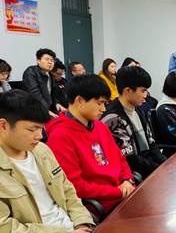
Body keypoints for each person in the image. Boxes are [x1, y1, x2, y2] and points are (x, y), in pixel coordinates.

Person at [0, 90, 94, 233]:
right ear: (3, 125)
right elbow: (4, 231)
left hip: (70, 230)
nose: (40, 135)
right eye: (32, 129)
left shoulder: (41, 150)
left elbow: (68, 191)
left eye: (41, 128)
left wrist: (82, 223)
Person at [45, 74, 135, 213]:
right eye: (99, 103)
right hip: (100, 207)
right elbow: (75, 186)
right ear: (80, 101)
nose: (103, 109)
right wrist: (118, 192)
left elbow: (120, 159)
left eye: (105, 104)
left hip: (123, 195)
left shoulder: (100, 126)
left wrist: (127, 180)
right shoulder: (60, 136)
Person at [102, 66, 166, 178]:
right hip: (134, 174)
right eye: (143, 91)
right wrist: (158, 170)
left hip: (149, 167)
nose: (146, 95)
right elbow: (130, 159)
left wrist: (166, 164)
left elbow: (152, 143)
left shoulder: (139, 111)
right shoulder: (112, 118)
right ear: (128, 91)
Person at [22, 48, 65, 117]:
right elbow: (35, 94)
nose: (50, 62)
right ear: (38, 61)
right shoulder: (31, 72)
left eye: (52, 60)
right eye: (47, 59)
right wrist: (46, 110)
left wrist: (56, 103)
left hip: (47, 108)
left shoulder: (50, 74)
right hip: (34, 109)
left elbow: (53, 93)